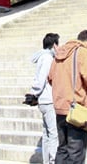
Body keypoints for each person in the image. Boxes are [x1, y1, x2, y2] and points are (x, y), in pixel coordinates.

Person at [48, 30, 87, 164]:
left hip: (60, 108)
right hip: (76, 110)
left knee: (62, 150)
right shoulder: (82, 52)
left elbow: (50, 78)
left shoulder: (60, 52)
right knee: (76, 154)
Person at [29, 33, 59, 164]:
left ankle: (47, 160)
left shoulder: (42, 57)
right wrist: (34, 92)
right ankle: (53, 160)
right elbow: (41, 79)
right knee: (53, 134)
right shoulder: (47, 58)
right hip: (48, 99)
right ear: (54, 45)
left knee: (47, 133)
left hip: (43, 100)